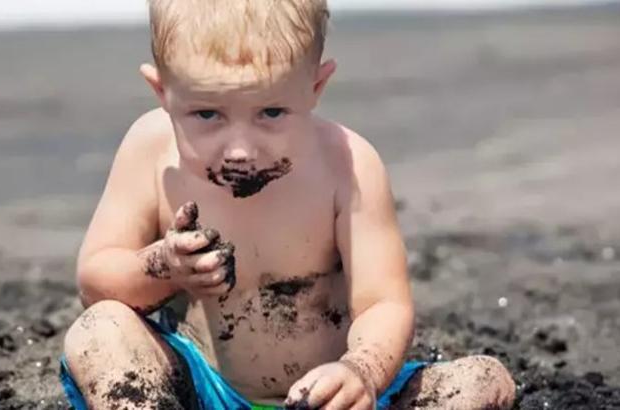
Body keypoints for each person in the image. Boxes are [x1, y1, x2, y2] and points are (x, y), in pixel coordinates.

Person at [60, 0, 516, 408]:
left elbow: (383, 303)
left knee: (483, 379)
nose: (240, 149)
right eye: (207, 114)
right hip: (199, 388)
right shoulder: (151, 153)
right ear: (162, 91)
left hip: (328, 393)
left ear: (316, 85)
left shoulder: (347, 165)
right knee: (100, 330)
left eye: (272, 113)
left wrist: (362, 371)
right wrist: (162, 266)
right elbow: (96, 286)